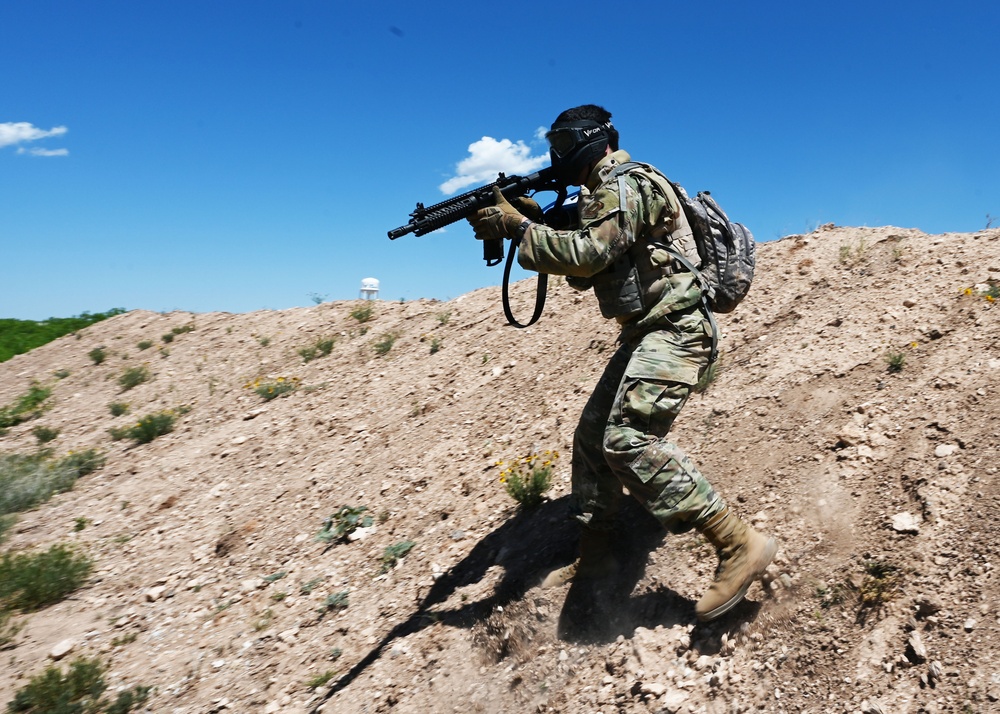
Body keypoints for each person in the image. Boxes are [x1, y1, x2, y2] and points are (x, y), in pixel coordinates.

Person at [467, 104, 777, 622]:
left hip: (677, 327)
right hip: (648, 330)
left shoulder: (624, 184)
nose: (555, 157)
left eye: (561, 147)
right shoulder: (605, 193)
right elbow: (593, 253)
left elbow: (589, 253)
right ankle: (599, 553)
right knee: (592, 439)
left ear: (588, 142)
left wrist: (519, 226)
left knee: (626, 439)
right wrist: (537, 219)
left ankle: (738, 542)